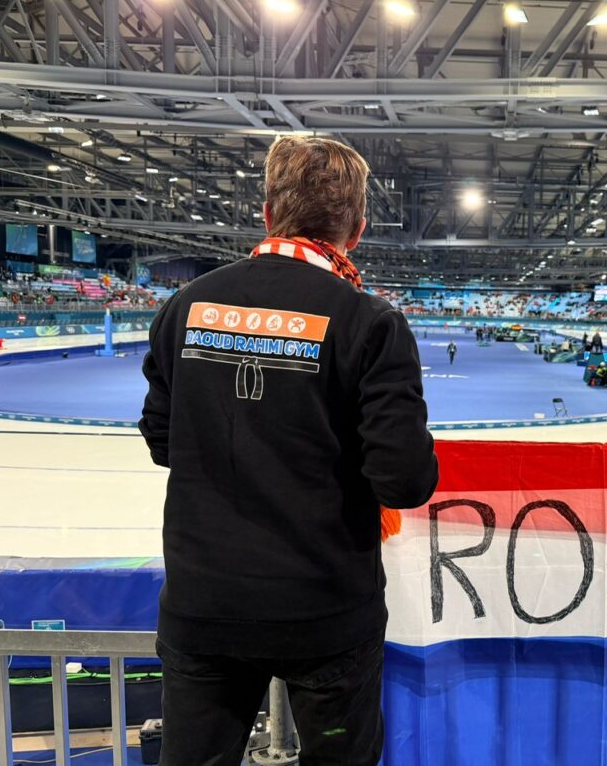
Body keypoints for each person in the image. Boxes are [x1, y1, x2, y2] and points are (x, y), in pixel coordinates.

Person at [139, 136, 439, 766]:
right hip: (324, 613)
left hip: (206, 604)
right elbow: (405, 480)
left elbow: (163, 440)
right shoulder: (370, 322)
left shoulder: (186, 306)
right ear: (356, 230)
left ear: (269, 213)